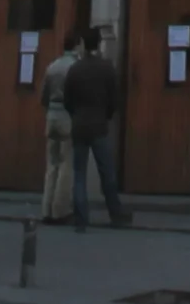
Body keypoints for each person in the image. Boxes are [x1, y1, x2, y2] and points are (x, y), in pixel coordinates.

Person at [62, 26, 129, 231]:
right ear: (99, 43)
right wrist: (106, 115)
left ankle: (81, 219)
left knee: (79, 174)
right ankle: (115, 214)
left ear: (83, 43)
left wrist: (76, 114)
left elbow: (68, 99)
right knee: (107, 172)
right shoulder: (106, 68)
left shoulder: (75, 69)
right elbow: (114, 99)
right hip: (99, 125)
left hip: (79, 125)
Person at [38, 28, 80, 225]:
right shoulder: (75, 67)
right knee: (66, 164)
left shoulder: (52, 66)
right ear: (77, 46)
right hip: (67, 117)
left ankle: (46, 208)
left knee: (51, 163)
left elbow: (44, 96)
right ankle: (60, 210)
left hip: (51, 116)